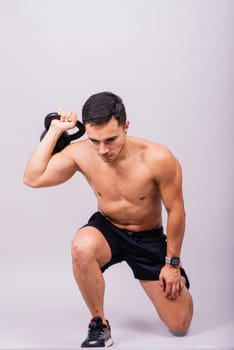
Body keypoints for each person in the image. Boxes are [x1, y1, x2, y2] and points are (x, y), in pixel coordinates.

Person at [23, 91, 193, 347]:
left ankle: (177, 278)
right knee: (82, 247)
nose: (103, 150)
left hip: (146, 236)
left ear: (126, 126)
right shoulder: (82, 152)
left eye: (110, 139)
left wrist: (172, 264)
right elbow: (32, 178)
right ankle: (99, 324)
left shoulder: (158, 158)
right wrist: (56, 131)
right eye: (95, 140)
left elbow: (176, 210)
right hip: (108, 229)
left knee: (179, 324)